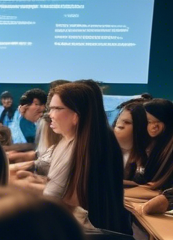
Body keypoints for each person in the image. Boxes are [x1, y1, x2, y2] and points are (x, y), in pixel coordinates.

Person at [17, 81, 128, 232]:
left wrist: (21, 185)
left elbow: (53, 198)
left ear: (76, 116)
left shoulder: (82, 147)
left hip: (82, 235)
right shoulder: (71, 141)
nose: (49, 114)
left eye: (56, 109)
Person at [134, 99, 173, 188]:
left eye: (158, 121)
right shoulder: (150, 143)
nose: (153, 127)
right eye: (149, 122)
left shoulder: (169, 148)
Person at [112, 100, 150, 178]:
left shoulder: (147, 158)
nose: (119, 126)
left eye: (127, 122)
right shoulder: (102, 150)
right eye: (118, 121)